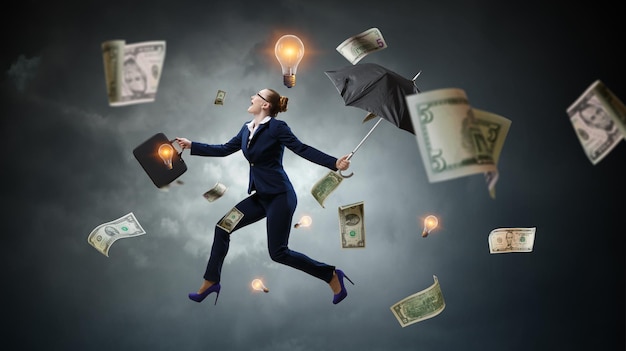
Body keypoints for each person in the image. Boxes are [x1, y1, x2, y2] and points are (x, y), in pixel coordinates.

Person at [175, 88, 354, 306]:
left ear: (266, 105)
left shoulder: (277, 127)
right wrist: (192, 145)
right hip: (260, 197)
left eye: (256, 96)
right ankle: (211, 281)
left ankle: (331, 275)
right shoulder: (245, 128)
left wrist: (334, 163)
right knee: (222, 227)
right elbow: (223, 149)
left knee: (278, 253)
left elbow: (301, 148)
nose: (251, 97)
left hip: (280, 196)